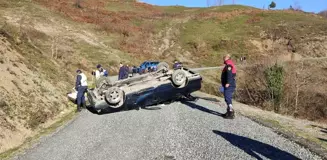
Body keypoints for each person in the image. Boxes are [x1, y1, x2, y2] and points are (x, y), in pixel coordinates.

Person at [220, 54, 237, 119]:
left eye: (224, 57)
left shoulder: (229, 64)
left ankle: (231, 114)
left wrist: (228, 83)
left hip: (229, 85)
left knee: (227, 98)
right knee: (228, 98)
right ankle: (228, 112)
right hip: (229, 84)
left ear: (228, 58)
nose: (223, 58)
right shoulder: (228, 64)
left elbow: (230, 74)